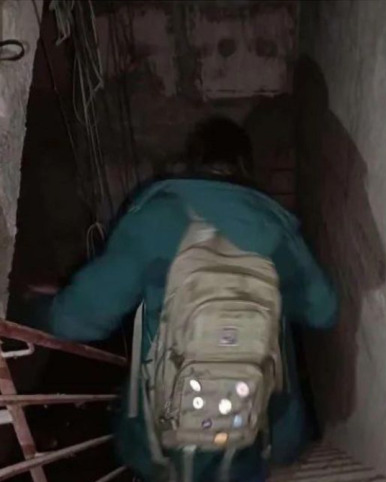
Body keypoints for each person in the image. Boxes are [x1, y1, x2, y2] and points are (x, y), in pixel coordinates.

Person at [42, 117, 337, 481]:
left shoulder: (154, 218)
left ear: (193, 163)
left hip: (164, 437)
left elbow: (73, 321)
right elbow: (323, 311)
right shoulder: (276, 229)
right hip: (252, 426)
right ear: (245, 167)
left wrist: (45, 305)